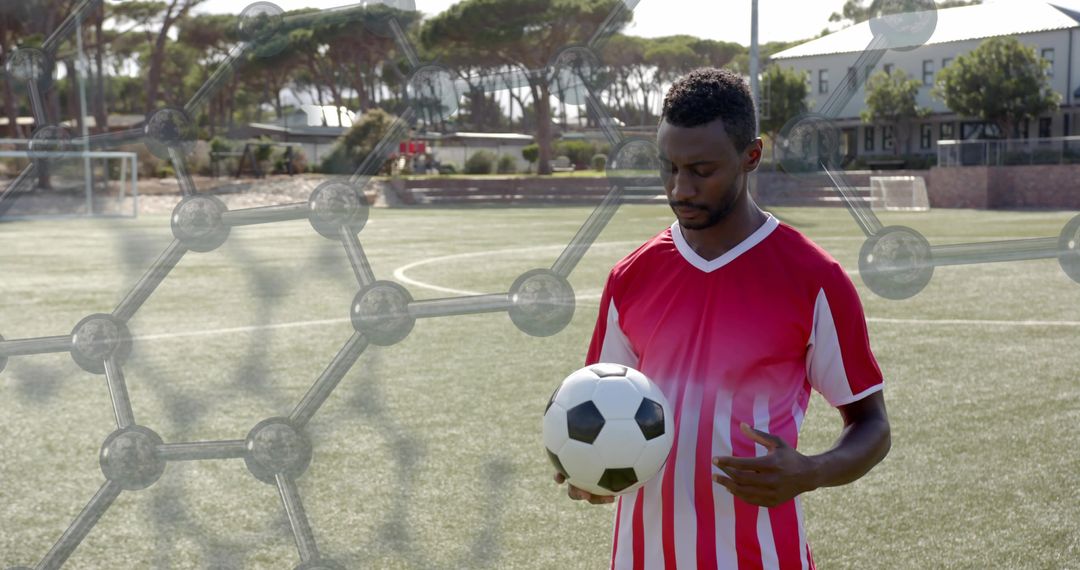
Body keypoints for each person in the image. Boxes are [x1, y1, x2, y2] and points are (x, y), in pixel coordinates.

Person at [554, 67, 891, 569]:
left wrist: (811, 471)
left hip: (762, 556)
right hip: (642, 557)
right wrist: (591, 472)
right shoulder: (631, 277)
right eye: (668, 167)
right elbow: (597, 404)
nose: (679, 187)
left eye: (701, 170)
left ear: (750, 156)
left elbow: (872, 426)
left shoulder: (813, 278)